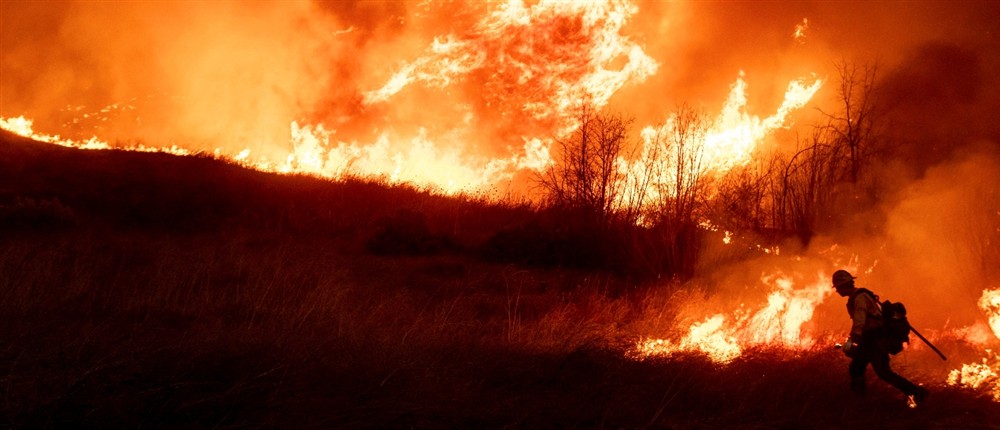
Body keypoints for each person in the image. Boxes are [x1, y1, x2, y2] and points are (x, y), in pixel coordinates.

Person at [833, 269, 929, 405]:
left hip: (875, 340)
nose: (837, 291)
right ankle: (860, 401)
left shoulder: (859, 298)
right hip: (869, 340)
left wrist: (853, 339)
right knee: (856, 368)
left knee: (883, 372)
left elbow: (860, 320)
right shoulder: (856, 297)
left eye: (838, 287)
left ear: (844, 285)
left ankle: (917, 392)